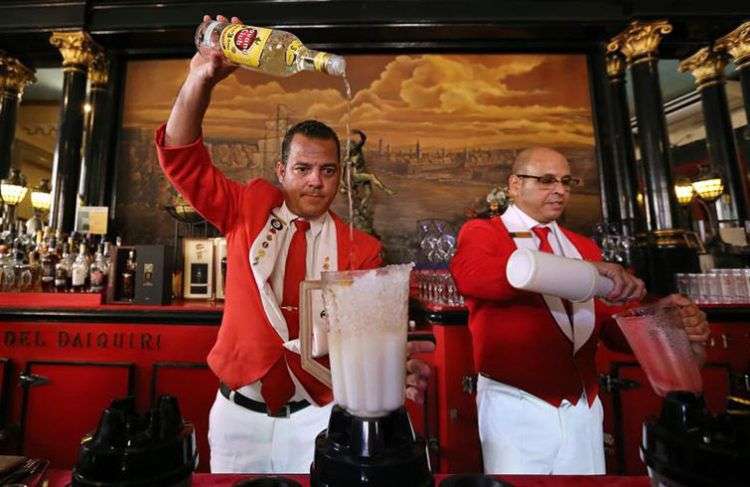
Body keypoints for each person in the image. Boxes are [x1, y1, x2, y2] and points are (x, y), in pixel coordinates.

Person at [156, 14, 432, 473]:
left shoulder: (361, 248)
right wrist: (197, 80)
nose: (316, 182)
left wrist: (393, 363)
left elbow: (370, 338)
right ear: (282, 171)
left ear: (339, 176)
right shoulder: (246, 208)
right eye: (303, 169)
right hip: (237, 415)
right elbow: (183, 161)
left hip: (318, 417)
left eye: (327, 171)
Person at [449, 147, 710, 474]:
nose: (559, 190)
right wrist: (586, 272)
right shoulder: (484, 232)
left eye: (566, 182)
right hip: (515, 403)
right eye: (546, 181)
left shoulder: (584, 246)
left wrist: (667, 323)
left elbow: (614, 329)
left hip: (583, 407)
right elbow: (473, 278)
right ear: (515, 185)